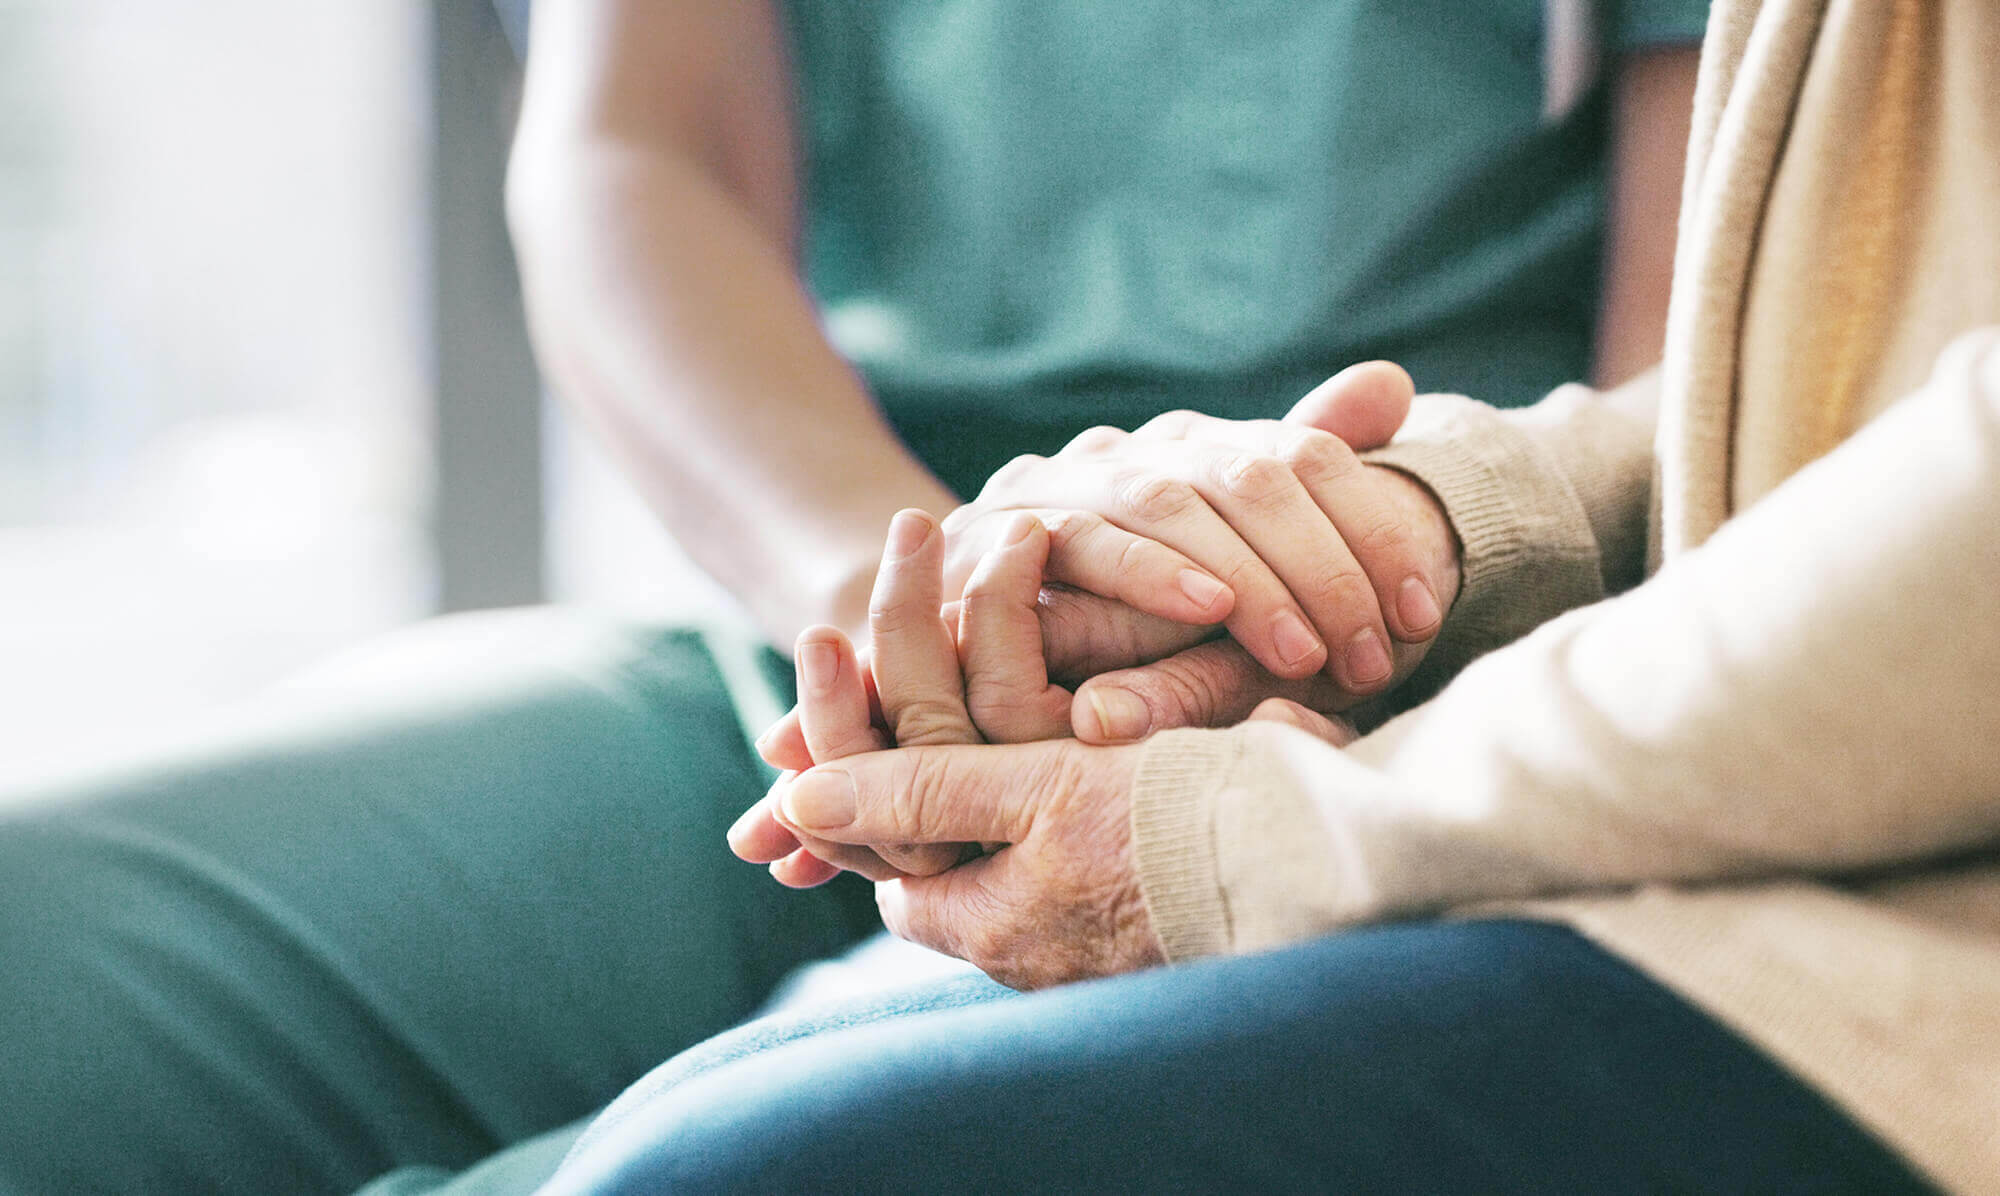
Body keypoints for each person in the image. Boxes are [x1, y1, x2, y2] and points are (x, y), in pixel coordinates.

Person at [0, 3, 1706, 1193]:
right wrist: (914, 608)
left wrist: (1331, 623)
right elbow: (632, 160)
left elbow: (1704, 386)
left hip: (1367, 696)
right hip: (816, 630)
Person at [542, 0, 2000, 1190]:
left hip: (1869, 908)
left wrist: (1256, 829)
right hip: (995, 623)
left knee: (709, 1169)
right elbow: (1838, 387)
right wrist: (1434, 518)